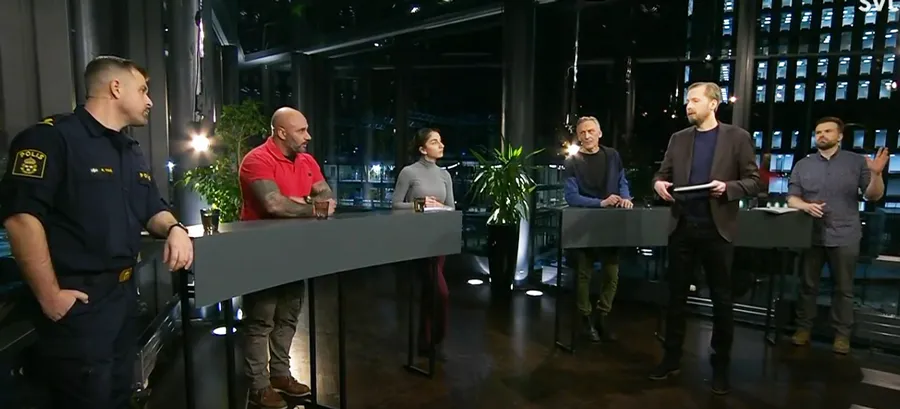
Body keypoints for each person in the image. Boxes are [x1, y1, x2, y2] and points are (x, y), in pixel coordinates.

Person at [0, 56, 194, 409]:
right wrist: (50, 296)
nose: (150, 101)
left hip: (122, 297)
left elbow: (152, 208)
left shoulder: (129, 151)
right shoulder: (51, 138)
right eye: (143, 90)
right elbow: (21, 219)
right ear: (115, 88)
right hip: (79, 300)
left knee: (118, 393)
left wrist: (175, 229)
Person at [650, 82, 760, 394]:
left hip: (717, 230)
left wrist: (727, 188)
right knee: (676, 298)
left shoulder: (737, 137)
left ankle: (720, 365)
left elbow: (754, 181)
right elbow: (661, 174)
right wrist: (658, 184)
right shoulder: (679, 138)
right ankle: (671, 358)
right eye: (688, 100)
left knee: (721, 300)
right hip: (682, 228)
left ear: (713, 104)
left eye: (695, 100)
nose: (689, 106)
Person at [238, 107, 335, 408]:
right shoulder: (256, 159)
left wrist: (296, 202)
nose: (308, 136)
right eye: (301, 130)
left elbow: (327, 197)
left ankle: (280, 375)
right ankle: (258, 386)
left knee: (288, 317)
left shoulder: (307, 161)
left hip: (296, 252)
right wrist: (309, 205)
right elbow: (273, 205)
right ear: (281, 132)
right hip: (261, 253)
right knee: (260, 320)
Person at [787, 117, 887, 354]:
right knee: (807, 285)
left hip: (845, 233)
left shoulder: (856, 162)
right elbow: (791, 198)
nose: (822, 135)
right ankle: (803, 328)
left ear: (840, 136)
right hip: (810, 234)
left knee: (843, 288)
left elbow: (873, 196)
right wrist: (805, 206)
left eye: (828, 131)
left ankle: (842, 335)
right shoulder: (803, 164)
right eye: (818, 132)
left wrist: (876, 174)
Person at [562, 116, 633, 343]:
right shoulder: (572, 162)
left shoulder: (612, 156)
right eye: (582, 132)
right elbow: (571, 197)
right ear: (578, 136)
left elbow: (622, 181)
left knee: (611, 273)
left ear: (599, 133)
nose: (587, 135)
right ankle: (585, 319)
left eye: (591, 131)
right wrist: (601, 203)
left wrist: (625, 197)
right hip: (585, 222)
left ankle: (602, 316)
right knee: (584, 273)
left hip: (611, 223)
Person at [392, 128, 455, 360]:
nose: (441, 145)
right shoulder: (409, 172)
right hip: (418, 240)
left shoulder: (445, 175)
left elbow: (451, 207)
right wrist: (421, 204)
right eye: (435, 142)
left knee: (431, 292)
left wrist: (441, 207)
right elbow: (396, 205)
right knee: (441, 292)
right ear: (422, 148)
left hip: (439, 239)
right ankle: (435, 339)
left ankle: (426, 342)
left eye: (441, 141)